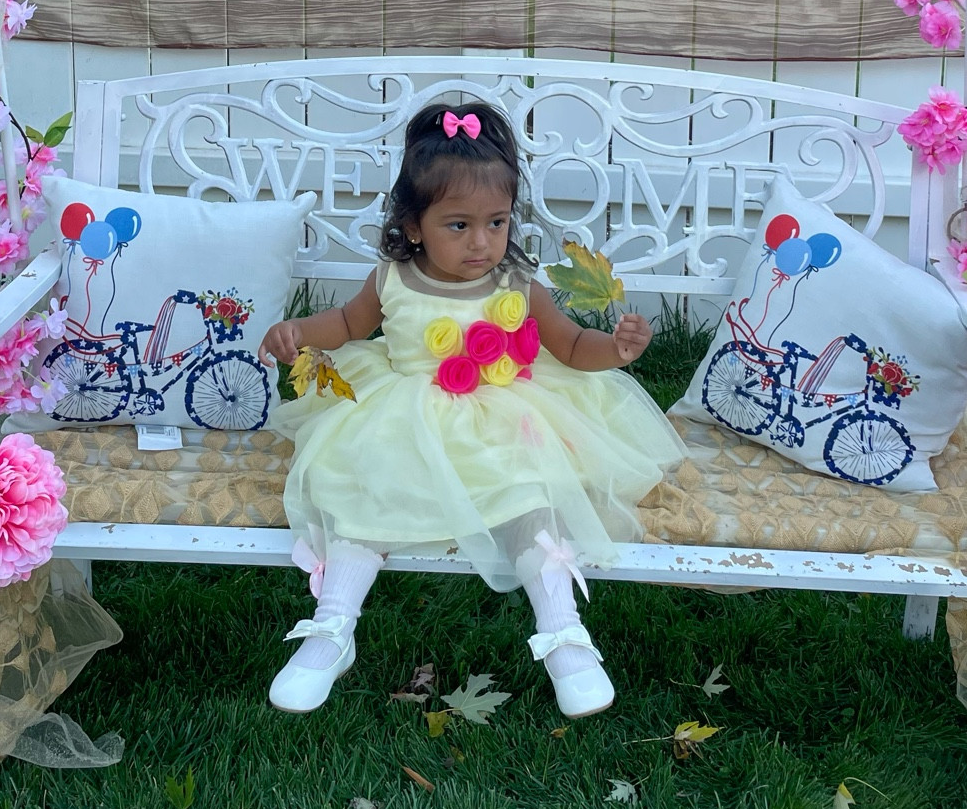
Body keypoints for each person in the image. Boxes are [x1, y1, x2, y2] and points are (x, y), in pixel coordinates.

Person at [259, 100, 684, 717]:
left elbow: (566, 343)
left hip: (506, 412)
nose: (482, 242)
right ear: (412, 225)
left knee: (530, 495)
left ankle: (565, 634)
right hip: (403, 412)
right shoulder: (392, 279)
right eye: (458, 225)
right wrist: (300, 329)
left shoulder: (517, 283)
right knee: (364, 486)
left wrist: (614, 351)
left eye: (497, 222)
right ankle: (331, 626)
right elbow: (348, 324)